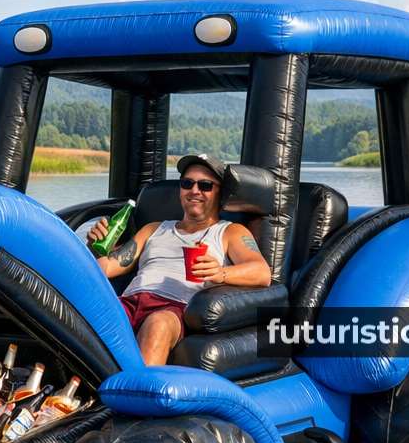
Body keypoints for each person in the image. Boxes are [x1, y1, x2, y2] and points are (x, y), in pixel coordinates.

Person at [87, 154, 271, 364]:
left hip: (174, 308)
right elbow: (109, 266)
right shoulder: (153, 228)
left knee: (158, 324)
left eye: (205, 185)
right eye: (187, 183)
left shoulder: (230, 232)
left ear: (220, 193)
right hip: (131, 302)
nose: (194, 191)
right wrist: (95, 248)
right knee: (86, 316)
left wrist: (220, 273)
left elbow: (262, 272)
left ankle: (138, 393)